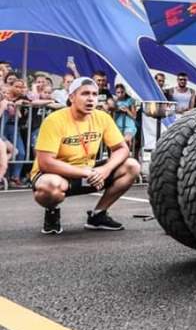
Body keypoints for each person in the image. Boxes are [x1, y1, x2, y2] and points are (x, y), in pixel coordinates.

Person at [30, 77, 141, 234]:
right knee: (50, 186)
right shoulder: (54, 120)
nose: (90, 99)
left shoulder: (102, 117)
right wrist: (86, 172)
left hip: (88, 172)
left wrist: (106, 170)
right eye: (85, 94)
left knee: (132, 166)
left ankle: (98, 215)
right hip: (57, 174)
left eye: (94, 94)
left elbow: (122, 148)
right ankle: (52, 212)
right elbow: (46, 163)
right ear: (71, 97)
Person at [112, 83, 138, 148]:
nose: (120, 94)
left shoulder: (130, 100)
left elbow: (134, 116)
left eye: (122, 92)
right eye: (118, 92)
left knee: (126, 140)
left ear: (125, 92)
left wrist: (127, 110)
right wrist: (117, 109)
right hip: (117, 126)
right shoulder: (114, 101)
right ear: (115, 93)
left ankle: (127, 154)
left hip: (129, 126)